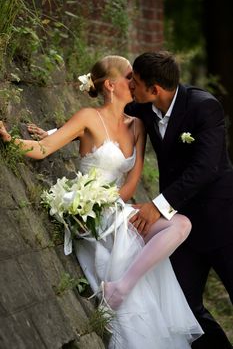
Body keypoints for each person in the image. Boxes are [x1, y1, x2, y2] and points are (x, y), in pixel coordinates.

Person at [0, 55, 203, 348]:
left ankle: (120, 288)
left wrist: (115, 206)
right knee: (140, 308)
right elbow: (44, 149)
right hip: (88, 211)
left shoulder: (137, 125)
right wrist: (11, 141)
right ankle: (121, 291)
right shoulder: (87, 117)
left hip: (114, 207)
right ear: (110, 84)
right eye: (129, 78)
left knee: (181, 224)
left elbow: (132, 182)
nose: (135, 84)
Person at [123, 51, 233, 349]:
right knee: (184, 308)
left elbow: (205, 169)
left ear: (155, 88)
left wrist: (157, 206)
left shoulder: (204, 107)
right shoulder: (144, 107)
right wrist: (55, 134)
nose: (131, 85)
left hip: (223, 222)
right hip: (183, 227)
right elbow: (106, 120)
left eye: (136, 81)